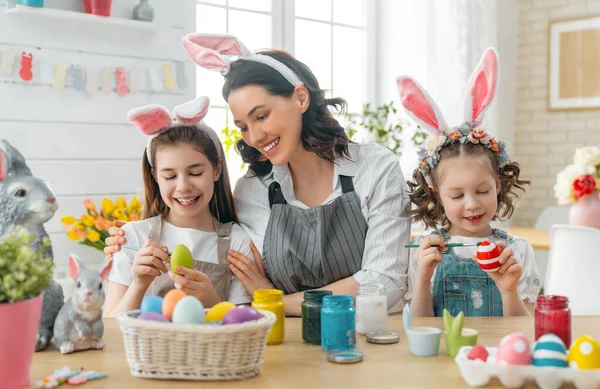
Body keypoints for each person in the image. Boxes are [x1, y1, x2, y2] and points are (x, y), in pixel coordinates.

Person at [106, 34, 412, 316]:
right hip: (289, 345)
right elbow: (202, 227)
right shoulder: (253, 190)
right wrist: (128, 237)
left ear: (301, 98)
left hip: (371, 336)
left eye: (261, 116)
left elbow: (384, 283)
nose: (254, 137)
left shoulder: (374, 168)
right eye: (242, 126)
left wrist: (275, 299)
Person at [397, 48, 540, 317]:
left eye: (482, 190)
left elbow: (524, 332)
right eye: (456, 195)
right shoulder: (425, 249)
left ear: (498, 185)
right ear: (437, 194)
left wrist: (509, 290)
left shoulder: (518, 251)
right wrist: (423, 280)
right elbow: (419, 328)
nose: (472, 204)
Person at [103, 97, 254, 317]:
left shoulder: (237, 242)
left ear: (216, 170)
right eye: (170, 175)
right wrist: (138, 284)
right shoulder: (132, 238)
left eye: (195, 173)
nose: (183, 187)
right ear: (155, 177)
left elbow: (243, 327)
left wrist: (210, 299)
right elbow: (111, 328)